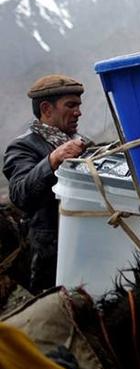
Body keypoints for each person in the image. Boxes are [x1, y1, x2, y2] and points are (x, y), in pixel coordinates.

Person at [3, 74, 88, 293]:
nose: (78, 112)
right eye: (71, 105)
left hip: (85, 246)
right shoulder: (22, 147)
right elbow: (20, 194)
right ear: (46, 109)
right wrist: (51, 161)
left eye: (78, 105)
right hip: (50, 258)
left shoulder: (81, 143)